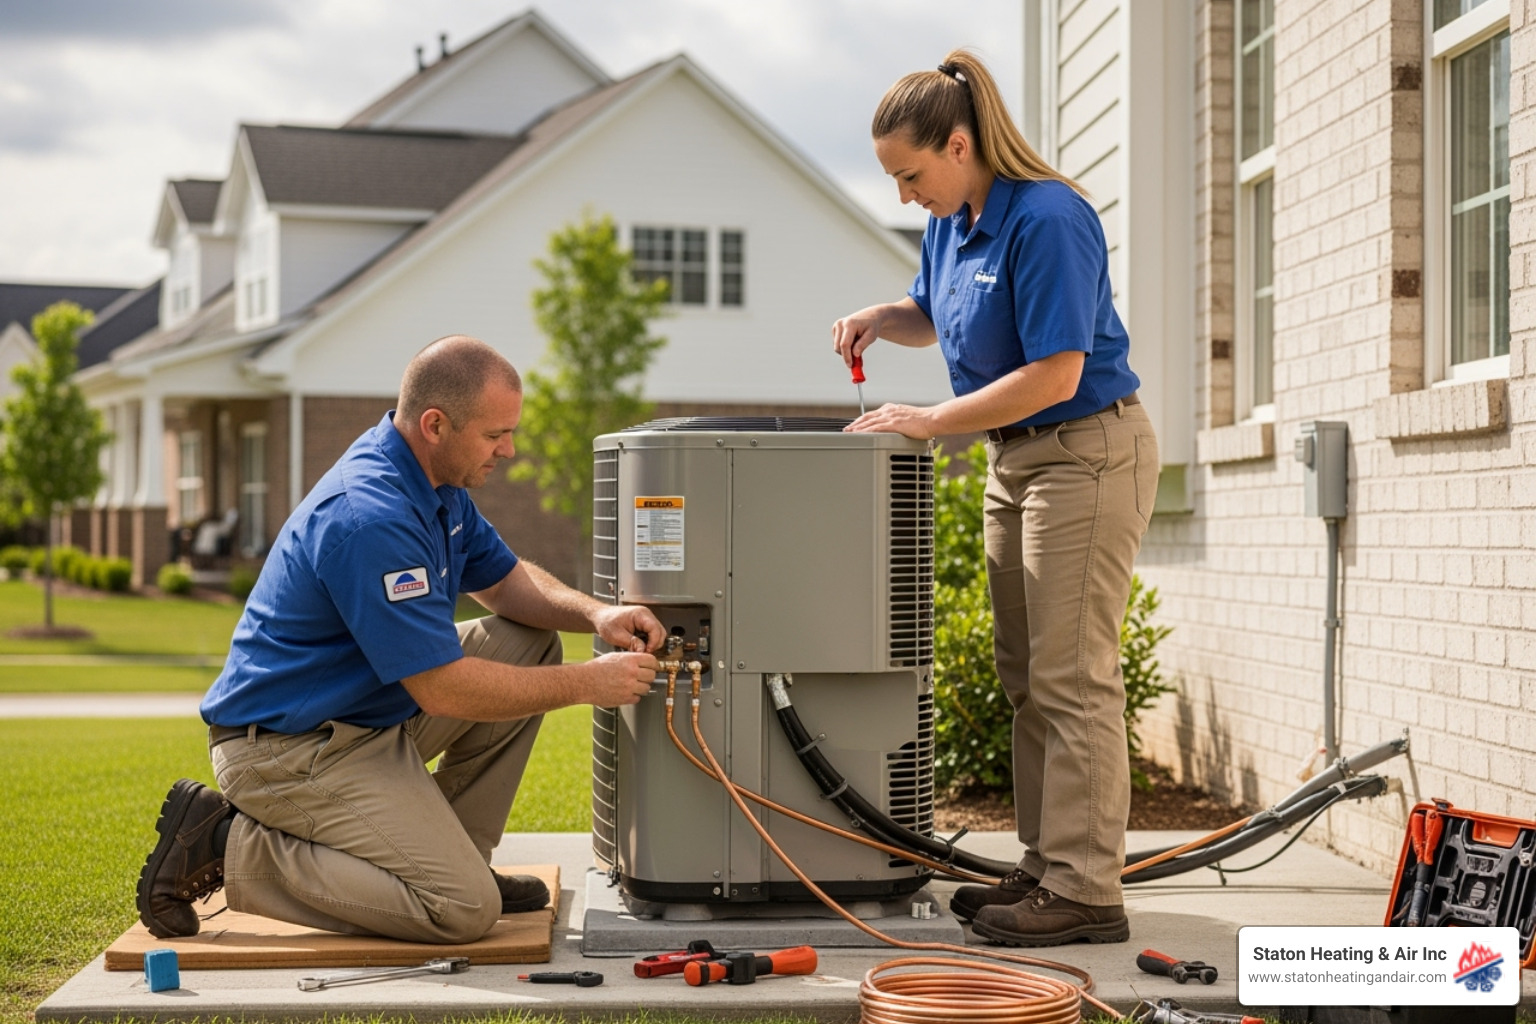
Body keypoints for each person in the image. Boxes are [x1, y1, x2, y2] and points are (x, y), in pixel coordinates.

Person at [136, 335, 663, 944]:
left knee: (532, 642)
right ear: (436, 424)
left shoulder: (438, 484)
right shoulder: (371, 516)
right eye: (496, 435)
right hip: (286, 752)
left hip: (364, 718)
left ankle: (459, 861)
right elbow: (442, 688)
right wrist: (586, 684)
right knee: (461, 912)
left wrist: (598, 615)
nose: (510, 450)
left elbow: (508, 583)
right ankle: (224, 843)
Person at [832, 51, 1158, 947]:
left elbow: (1056, 373)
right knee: (1026, 679)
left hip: (1086, 453)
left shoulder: (1050, 218)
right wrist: (878, 317)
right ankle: (1046, 867)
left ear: (961, 143)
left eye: (911, 174)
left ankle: (1088, 889)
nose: (905, 196)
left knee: (1072, 677)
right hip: (1016, 464)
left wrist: (931, 418)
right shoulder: (956, 219)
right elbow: (932, 311)